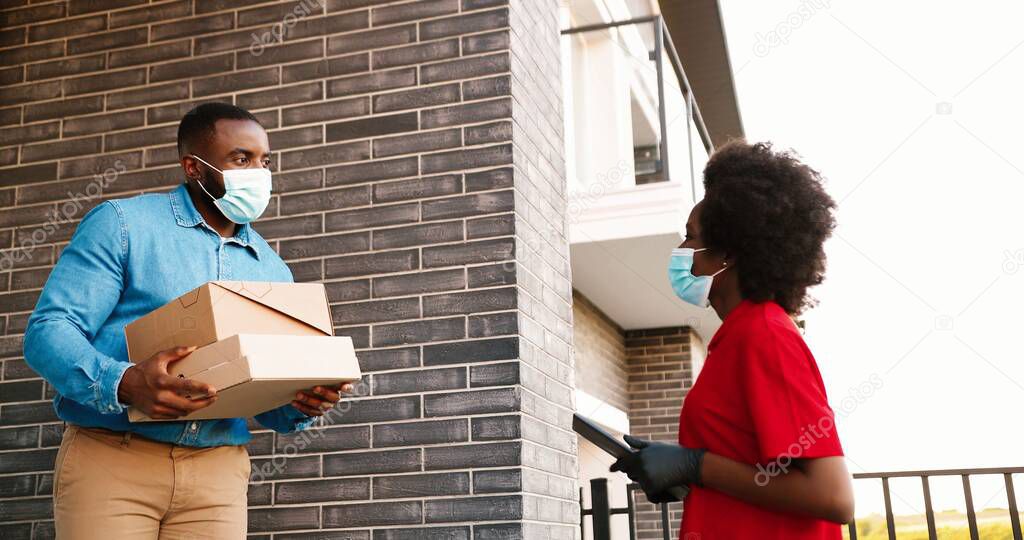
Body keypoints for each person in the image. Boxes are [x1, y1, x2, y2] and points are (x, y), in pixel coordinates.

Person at [23, 102, 352, 539]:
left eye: (264, 161)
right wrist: (126, 383)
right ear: (193, 167)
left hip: (217, 474)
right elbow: (49, 331)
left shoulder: (273, 269)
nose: (258, 172)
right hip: (113, 459)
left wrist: (302, 400)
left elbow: (265, 400)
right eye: (241, 159)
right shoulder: (123, 225)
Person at [611, 141, 854, 539]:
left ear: (728, 253)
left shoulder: (764, 335)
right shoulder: (737, 337)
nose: (682, 250)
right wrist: (681, 474)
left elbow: (833, 495)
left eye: (690, 237)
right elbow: (753, 474)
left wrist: (695, 465)